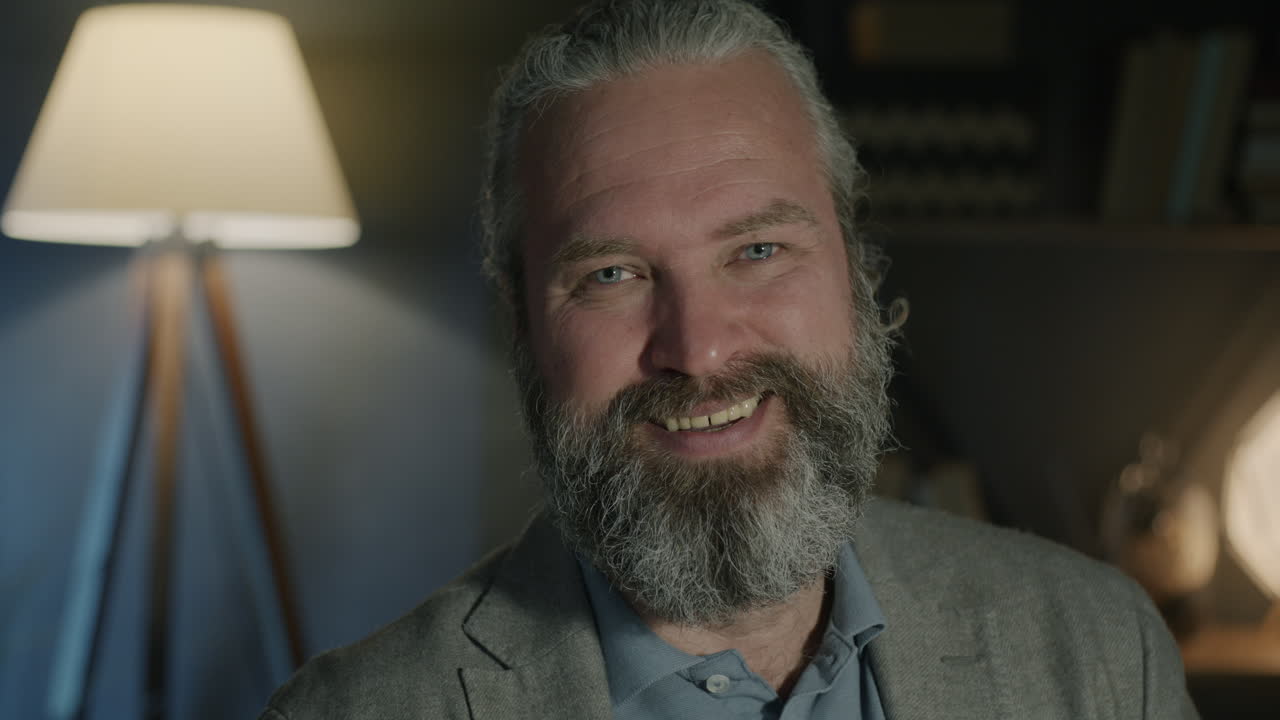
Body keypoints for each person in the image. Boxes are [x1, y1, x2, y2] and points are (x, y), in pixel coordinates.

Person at [260, 1, 1198, 718]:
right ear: (523, 324)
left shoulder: (1101, 656)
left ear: (855, 271)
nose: (698, 347)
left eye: (757, 251)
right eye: (613, 273)